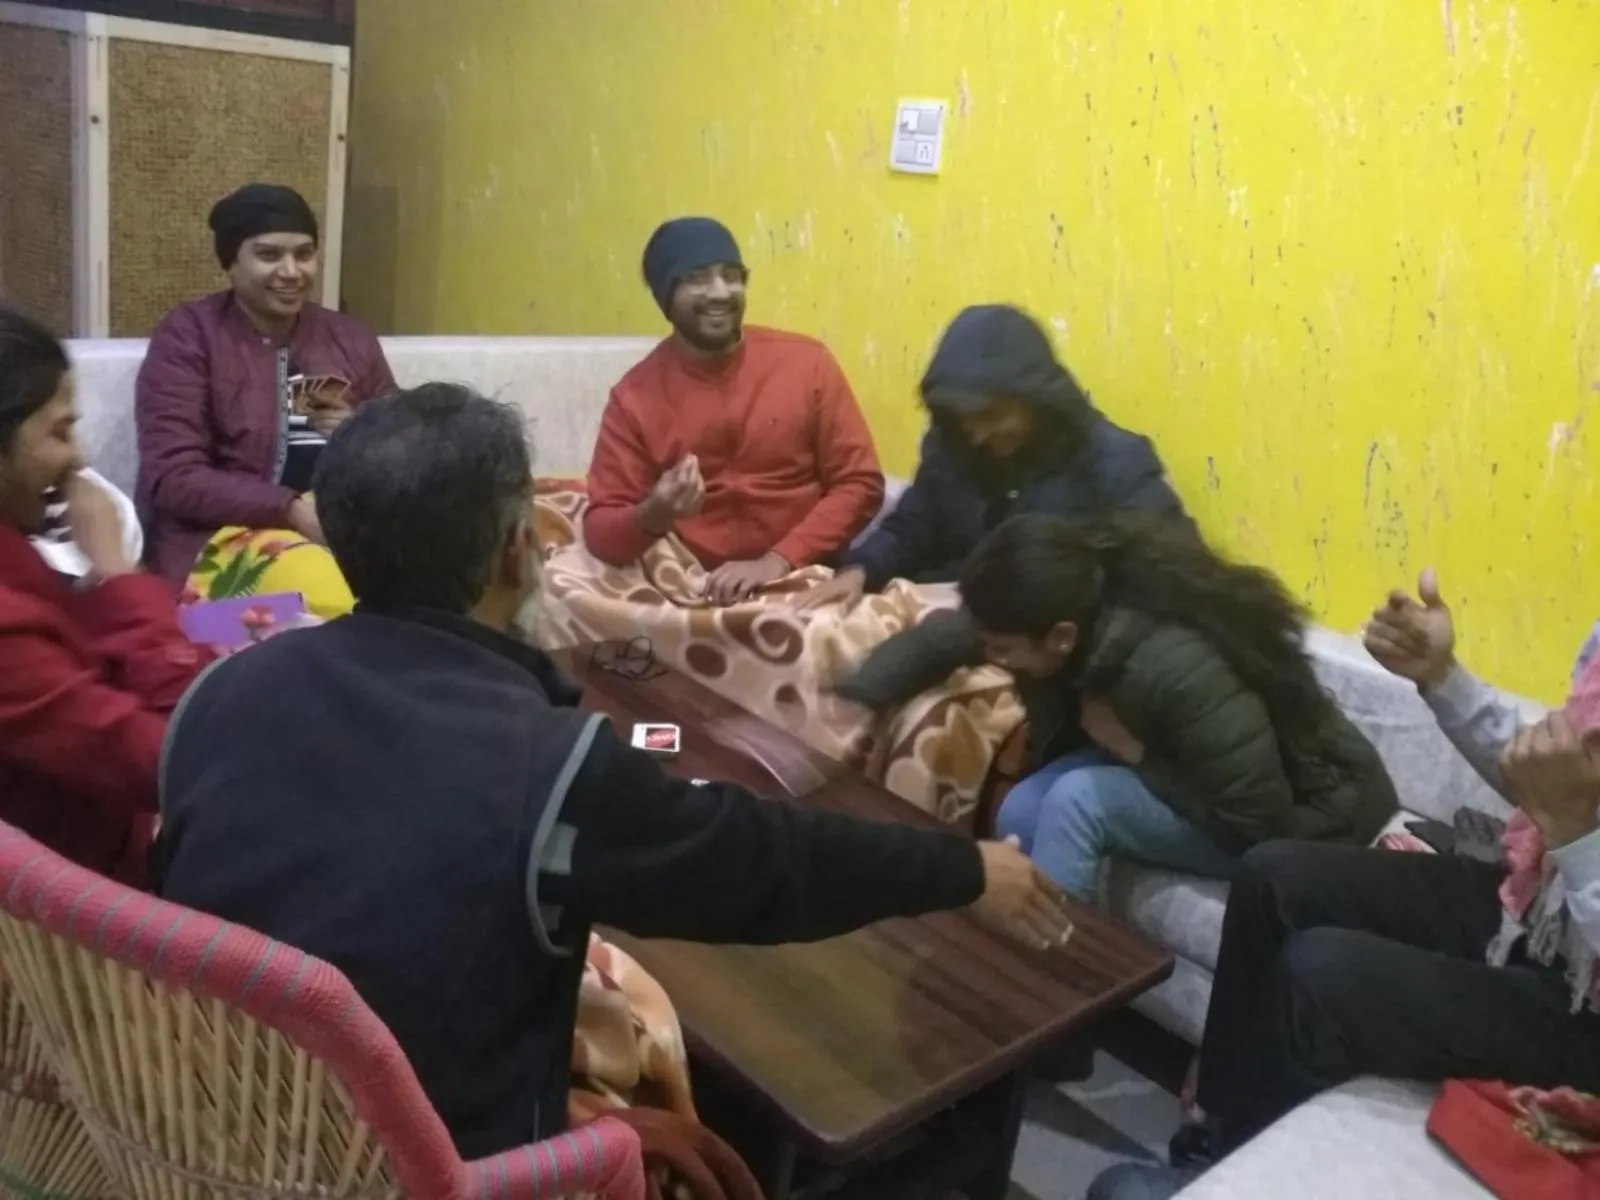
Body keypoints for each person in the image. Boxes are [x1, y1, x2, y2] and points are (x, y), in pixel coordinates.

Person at [153, 382, 1070, 1160]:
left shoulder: (218, 694)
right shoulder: (554, 769)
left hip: (220, 1128)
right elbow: (763, 863)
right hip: (436, 1163)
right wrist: (965, 868)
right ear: (521, 546)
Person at [1095, 572, 1600, 1198]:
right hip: (1544, 906)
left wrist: (1578, 837)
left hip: (1588, 1005)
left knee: (1321, 974)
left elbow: (1574, 817)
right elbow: (1545, 779)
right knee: (1273, 875)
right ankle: (1214, 1133)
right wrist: (1444, 681)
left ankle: (1218, 1179)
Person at [948, 512, 1397, 900]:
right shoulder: (1073, 610)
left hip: (1316, 818)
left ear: (1061, 637)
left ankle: (1059, 987)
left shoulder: (1175, 668)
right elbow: (966, 641)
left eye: (1002, 649)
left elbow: (1258, 825)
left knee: (1078, 801)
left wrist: (1135, 755)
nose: (993, 659)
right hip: (1191, 767)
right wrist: (875, 691)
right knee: (1021, 807)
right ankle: (1017, 964)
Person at [806, 304, 1190, 716]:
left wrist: (976, 627)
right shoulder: (953, 444)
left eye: (990, 416)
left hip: (1043, 641)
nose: (977, 433)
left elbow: (1168, 573)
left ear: (1036, 401)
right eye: (963, 420)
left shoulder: (1113, 463)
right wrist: (861, 569)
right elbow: (915, 522)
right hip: (952, 602)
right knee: (811, 632)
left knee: (944, 710)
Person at [0, 306, 211, 886]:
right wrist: (118, 573)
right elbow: (176, 763)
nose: (81, 458)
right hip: (85, 922)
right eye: (60, 432)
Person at [582, 217, 884, 604]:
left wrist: (777, 560)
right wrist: (653, 513)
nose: (720, 292)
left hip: (805, 575)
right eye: (697, 278)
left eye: (732, 276)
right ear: (665, 295)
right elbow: (601, 531)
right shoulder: (634, 397)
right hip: (692, 588)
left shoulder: (807, 363)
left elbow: (861, 483)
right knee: (568, 593)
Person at [135, 182, 396, 587]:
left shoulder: (347, 338)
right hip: (215, 542)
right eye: (268, 255)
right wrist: (289, 510)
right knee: (320, 598)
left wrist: (359, 432)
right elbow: (174, 477)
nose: (291, 272)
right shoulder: (190, 337)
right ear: (231, 263)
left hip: (335, 530)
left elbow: (407, 453)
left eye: (304, 254)